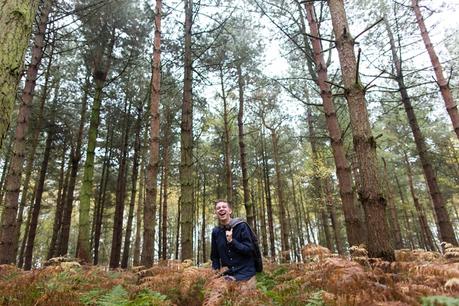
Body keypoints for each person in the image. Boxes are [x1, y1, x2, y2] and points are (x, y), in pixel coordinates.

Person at [210, 199, 256, 287]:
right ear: (216, 213)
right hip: (227, 277)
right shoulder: (215, 232)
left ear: (230, 211)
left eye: (224, 207)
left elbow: (249, 249)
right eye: (218, 208)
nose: (221, 209)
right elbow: (215, 257)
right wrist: (215, 275)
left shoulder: (241, 226)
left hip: (246, 276)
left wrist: (232, 241)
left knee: (245, 300)